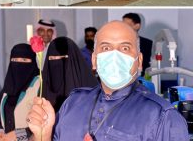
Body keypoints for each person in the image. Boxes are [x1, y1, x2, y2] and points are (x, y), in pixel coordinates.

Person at [27, 20, 190, 140]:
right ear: (94, 60)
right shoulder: (73, 103)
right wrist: (42, 135)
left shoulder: (163, 117)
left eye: (124, 48)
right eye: (106, 48)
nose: (114, 55)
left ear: (139, 61)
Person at [0, 44, 40, 141]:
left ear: (32, 61)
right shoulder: (9, 84)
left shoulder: (40, 85)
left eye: (24, 60)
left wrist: (19, 135)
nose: (19, 64)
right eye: (14, 60)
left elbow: (45, 121)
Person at [42, 37, 98, 113]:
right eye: (52, 58)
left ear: (73, 59)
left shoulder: (92, 90)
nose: (56, 62)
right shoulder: (44, 87)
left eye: (62, 58)